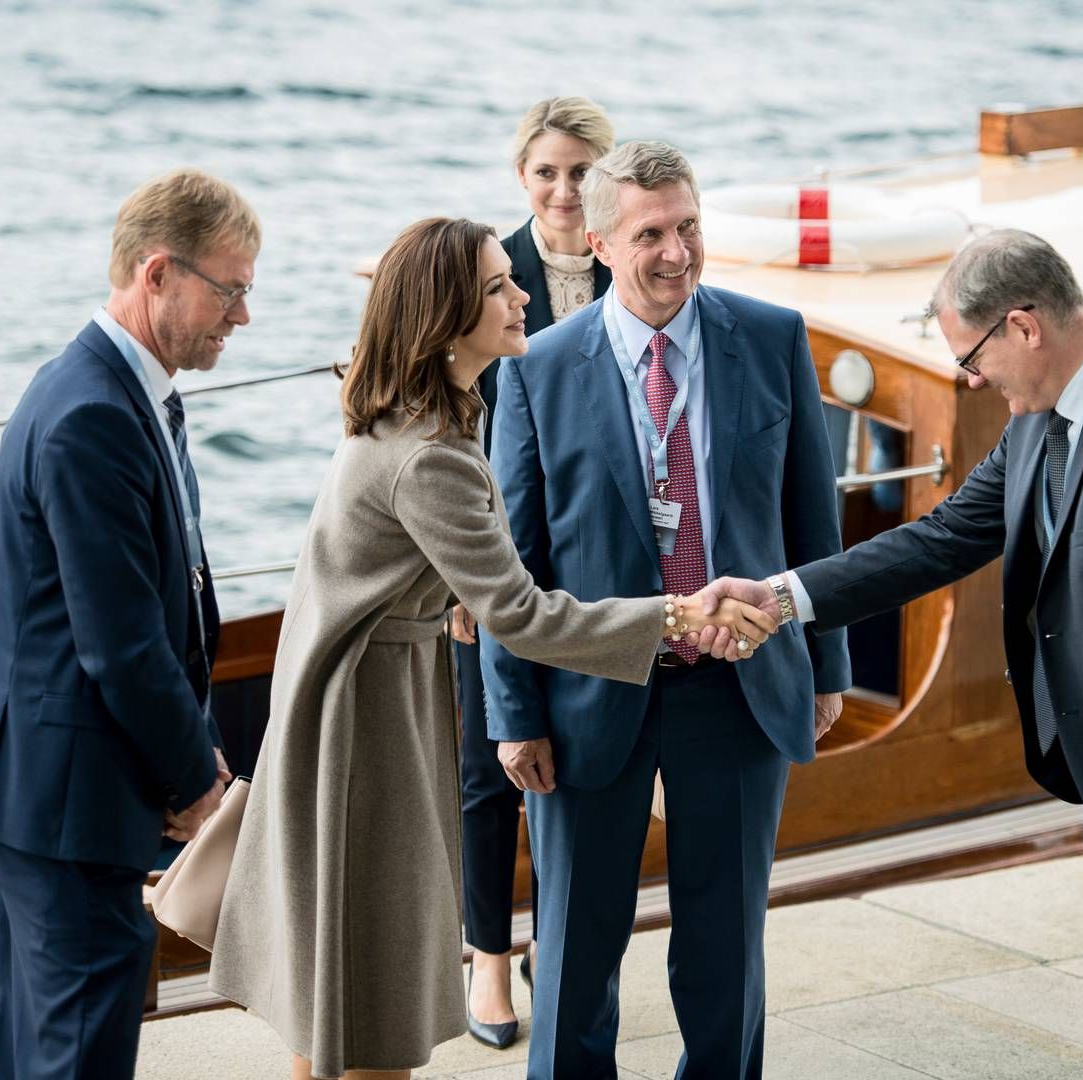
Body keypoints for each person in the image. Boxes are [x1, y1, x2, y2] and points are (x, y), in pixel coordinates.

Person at [696, 228, 1083, 1080]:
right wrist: (783, 598)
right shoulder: (1043, 422)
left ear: (1023, 327)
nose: (971, 379)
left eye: (972, 356)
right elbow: (941, 539)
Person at [205, 217, 774, 1080]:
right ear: (446, 317)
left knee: (334, 998)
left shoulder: (422, 416)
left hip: (346, 702)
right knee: (372, 1006)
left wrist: (454, 596)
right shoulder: (431, 454)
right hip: (369, 730)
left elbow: (458, 581)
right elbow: (524, 614)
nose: (523, 294)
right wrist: (675, 617)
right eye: (499, 286)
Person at [480, 141, 851, 1079]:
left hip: (740, 685)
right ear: (599, 241)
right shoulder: (536, 370)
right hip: (588, 693)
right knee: (575, 950)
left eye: (689, 227)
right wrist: (514, 714)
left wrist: (827, 668)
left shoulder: (772, 338)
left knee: (726, 949)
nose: (678, 253)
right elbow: (510, 566)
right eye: (652, 234)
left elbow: (816, 517)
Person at [0, 168, 259, 1079]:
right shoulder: (91, 414)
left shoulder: (134, 391)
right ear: (157, 273)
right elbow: (122, 646)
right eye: (230, 289)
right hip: (65, 797)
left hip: (55, 784)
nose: (241, 316)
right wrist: (199, 786)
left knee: (34, 1044)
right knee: (76, 1049)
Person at [457, 94, 616, 1050]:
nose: (563, 190)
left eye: (579, 171)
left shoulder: (631, 261)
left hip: (592, 567)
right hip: (486, 555)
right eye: (547, 171)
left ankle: (562, 947)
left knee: (583, 764)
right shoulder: (484, 269)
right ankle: (485, 957)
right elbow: (436, 415)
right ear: (522, 177)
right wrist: (456, 579)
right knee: (488, 766)